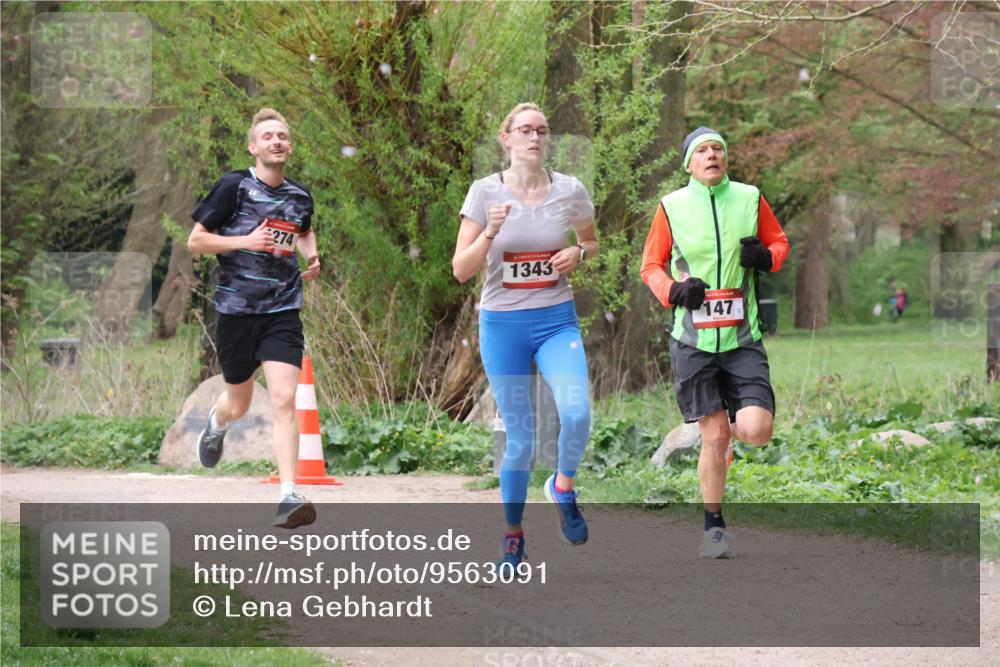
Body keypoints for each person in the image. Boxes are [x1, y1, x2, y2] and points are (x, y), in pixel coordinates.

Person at [453, 103, 598, 567]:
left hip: (556, 320)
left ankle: (562, 485)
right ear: (506, 138)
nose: (534, 138)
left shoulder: (570, 190)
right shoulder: (484, 192)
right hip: (503, 326)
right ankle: (513, 534)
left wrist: (579, 252)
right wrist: (491, 232)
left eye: (541, 130)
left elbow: (591, 241)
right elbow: (460, 270)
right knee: (521, 440)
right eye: (524, 130)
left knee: (576, 413)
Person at [640, 126, 790, 558]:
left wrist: (766, 257)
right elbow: (651, 265)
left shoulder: (749, 197)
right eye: (702, 150)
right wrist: (673, 291)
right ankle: (714, 529)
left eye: (718, 149)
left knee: (757, 431)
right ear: (689, 163)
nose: (711, 155)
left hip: (743, 338)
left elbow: (779, 242)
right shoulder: (671, 207)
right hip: (693, 341)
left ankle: (724, 441)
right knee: (714, 437)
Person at [187, 108, 321, 529]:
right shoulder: (234, 185)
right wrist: (246, 240)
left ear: (289, 146)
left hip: (282, 309)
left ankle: (288, 496)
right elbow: (196, 241)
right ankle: (218, 419)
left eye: (282, 136)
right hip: (236, 311)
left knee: (284, 399)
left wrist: (311, 255)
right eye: (268, 136)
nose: (276, 141)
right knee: (240, 403)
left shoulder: (300, 196)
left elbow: (302, 229)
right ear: (253, 146)